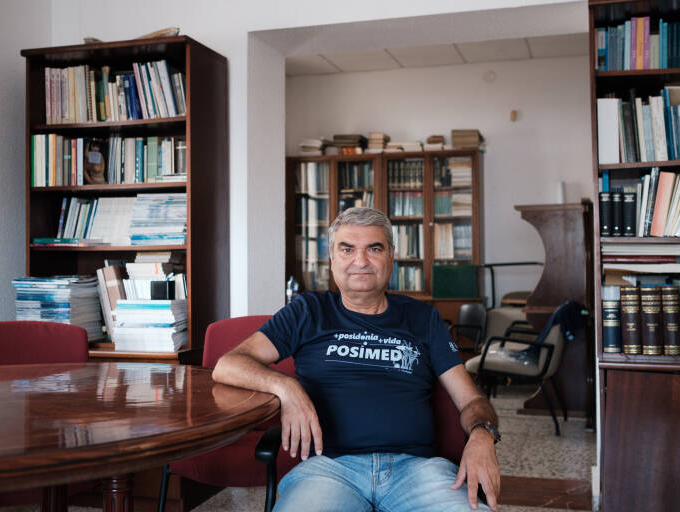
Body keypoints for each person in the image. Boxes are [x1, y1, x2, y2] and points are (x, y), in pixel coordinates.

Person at [213, 207, 501, 511]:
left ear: (391, 255)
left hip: (417, 470)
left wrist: (483, 435)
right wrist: (286, 387)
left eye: (374, 249)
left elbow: (471, 401)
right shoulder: (308, 311)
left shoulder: (422, 318)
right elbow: (229, 364)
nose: (360, 261)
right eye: (347, 249)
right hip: (329, 470)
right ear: (332, 259)